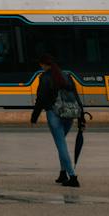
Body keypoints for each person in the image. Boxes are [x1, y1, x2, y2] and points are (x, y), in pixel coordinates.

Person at [31, 51, 82, 187]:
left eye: (41, 65)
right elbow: (75, 95)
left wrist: (34, 117)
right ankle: (62, 173)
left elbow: (40, 99)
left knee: (61, 145)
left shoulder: (45, 77)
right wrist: (81, 114)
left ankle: (72, 177)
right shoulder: (66, 75)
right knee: (62, 143)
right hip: (69, 114)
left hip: (54, 114)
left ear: (43, 65)